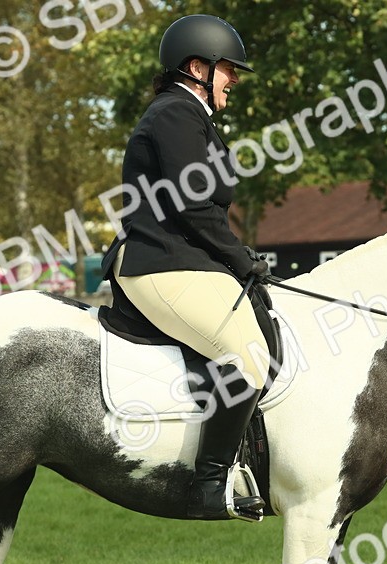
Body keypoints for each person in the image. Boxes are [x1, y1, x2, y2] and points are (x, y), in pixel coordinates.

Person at [111, 14, 270, 521]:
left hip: (183, 261)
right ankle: (208, 485)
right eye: (229, 70)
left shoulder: (189, 114)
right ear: (198, 67)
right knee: (247, 358)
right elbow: (193, 206)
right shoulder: (175, 115)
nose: (235, 80)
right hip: (160, 262)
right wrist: (241, 257)